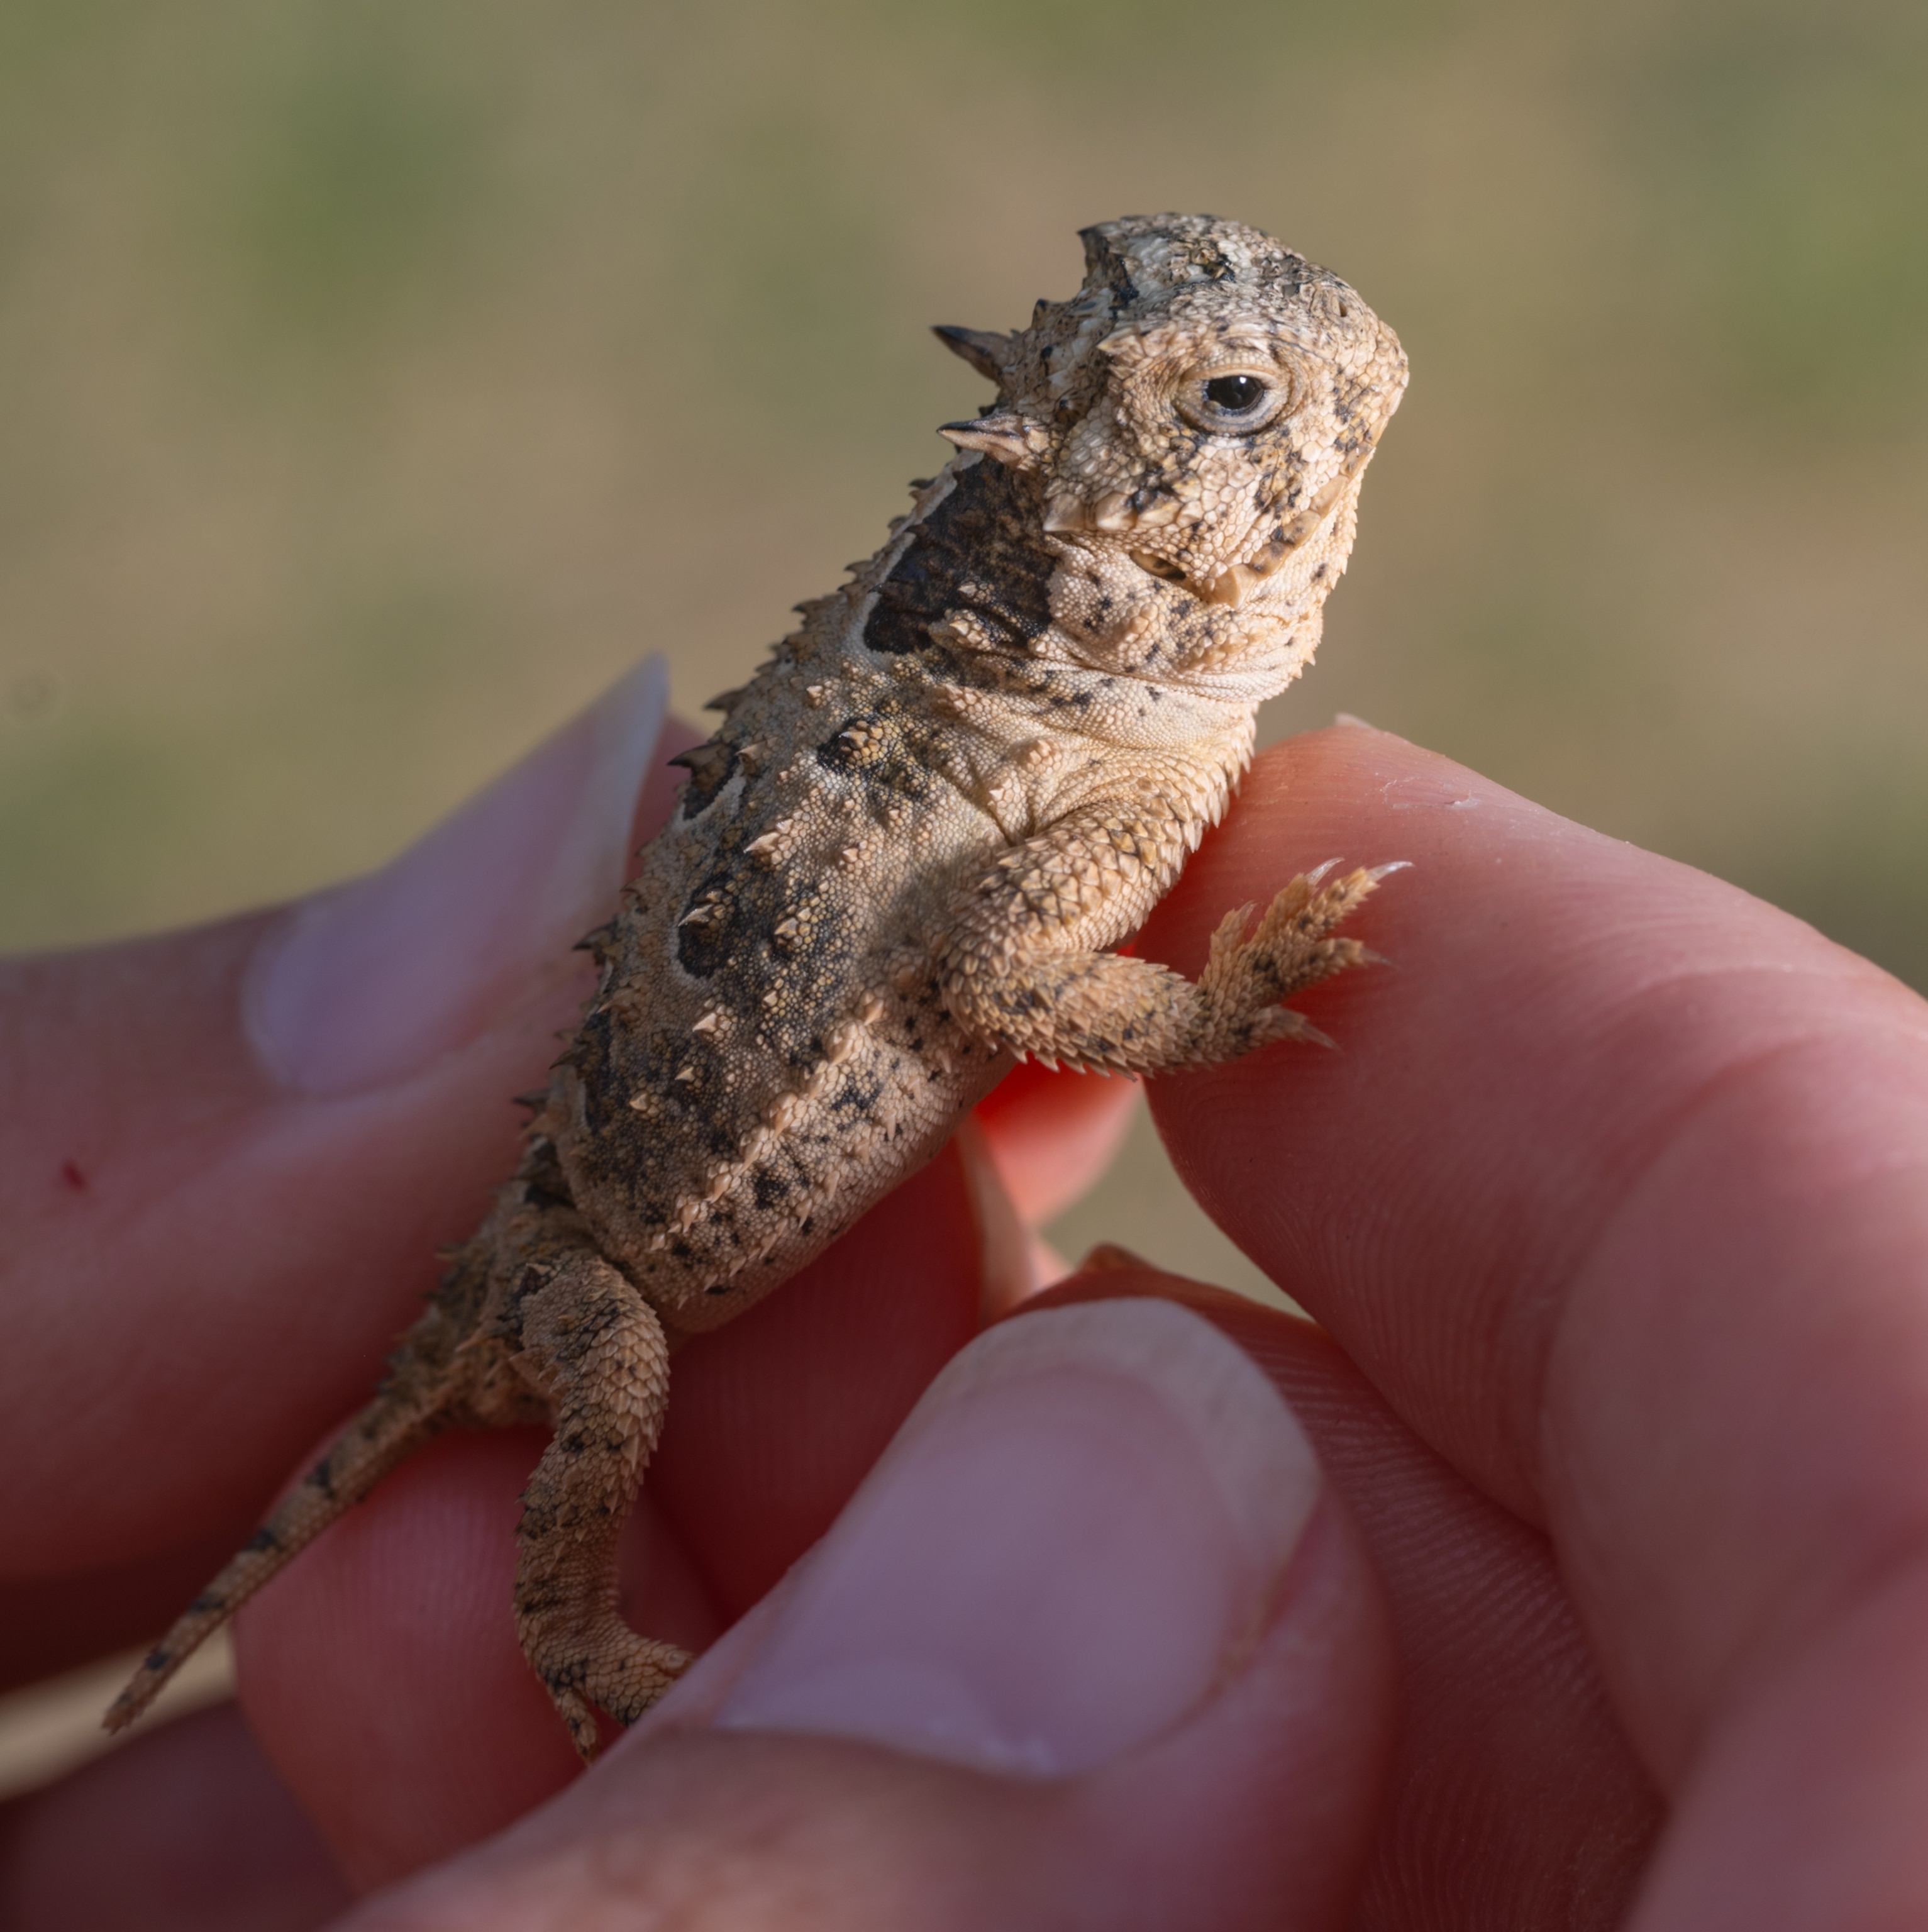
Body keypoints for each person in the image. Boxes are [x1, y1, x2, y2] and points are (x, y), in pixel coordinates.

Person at [4, 669, 1926, 1931]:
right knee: (613, 1388)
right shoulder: (1038, 753)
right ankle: (573, 1638)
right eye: (1230, 410)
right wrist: (1215, 1017)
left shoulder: (1076, 740)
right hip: (591, 1253)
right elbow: (1008, 982)